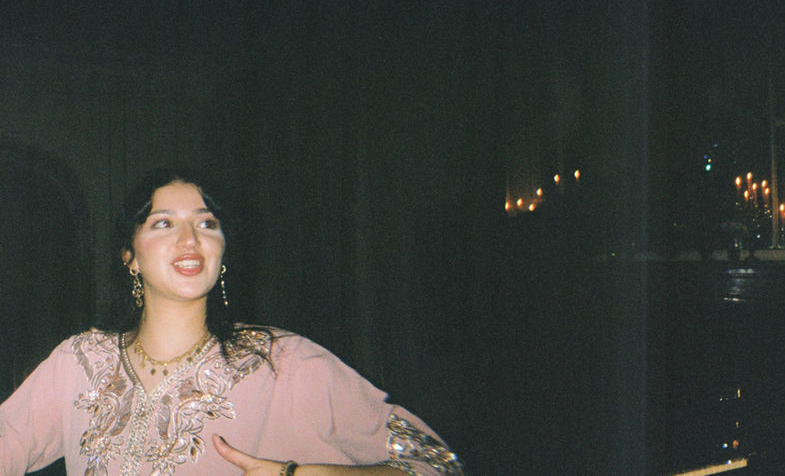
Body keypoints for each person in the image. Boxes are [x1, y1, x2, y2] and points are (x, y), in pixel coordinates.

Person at [0, 168, 464, 476]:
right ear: (130, 256)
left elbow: (437, 463)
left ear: (222, 251)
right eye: (163, 223)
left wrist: (301, 474)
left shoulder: (283, 362)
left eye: (207, 224)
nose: (190, 239)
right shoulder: (80, 361)